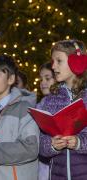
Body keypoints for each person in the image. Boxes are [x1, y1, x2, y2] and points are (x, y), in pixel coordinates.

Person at [37, 39, 87, 180]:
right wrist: (52, 145)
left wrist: (79, 142)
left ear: (76, 62)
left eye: (59, 61)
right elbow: (40, 144)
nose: (53, 66)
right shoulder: (50, 100)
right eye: (52, 61)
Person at [37, 62, 55, 180]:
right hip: (42, 164)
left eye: (47, 78)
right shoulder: (39, 105)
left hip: (59, 163)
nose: (43, 82)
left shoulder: (64, 102)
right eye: (41, 79)